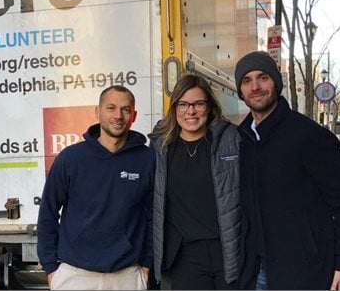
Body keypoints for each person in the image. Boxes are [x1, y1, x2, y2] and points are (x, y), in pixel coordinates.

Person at [234, 51, 340, 290]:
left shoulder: (308, 135)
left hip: (308, 268)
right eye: (247, 81)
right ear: (241, 91)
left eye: (263, 77)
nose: (255, 87)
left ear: (276, 82)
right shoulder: (242, 139)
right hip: (258, 270)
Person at [37, 85, 155, 290]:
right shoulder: (71, 158)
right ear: (97, 112)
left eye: (125, 109)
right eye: (111, 108)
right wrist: (51, 269)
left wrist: (146, 265)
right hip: (75, 276)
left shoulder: (147, 159)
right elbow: (48, 212)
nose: (118, 115)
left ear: (133, 115)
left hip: (127, 275)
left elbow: (154, 216)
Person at [150, 74, 241, 290]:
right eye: (183, 104)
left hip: (228, 251)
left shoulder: (230, 140)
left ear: (209, 106)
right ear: (174, 108)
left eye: (198, 103)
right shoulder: (160, 149)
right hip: (185, 256)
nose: (190, 111)